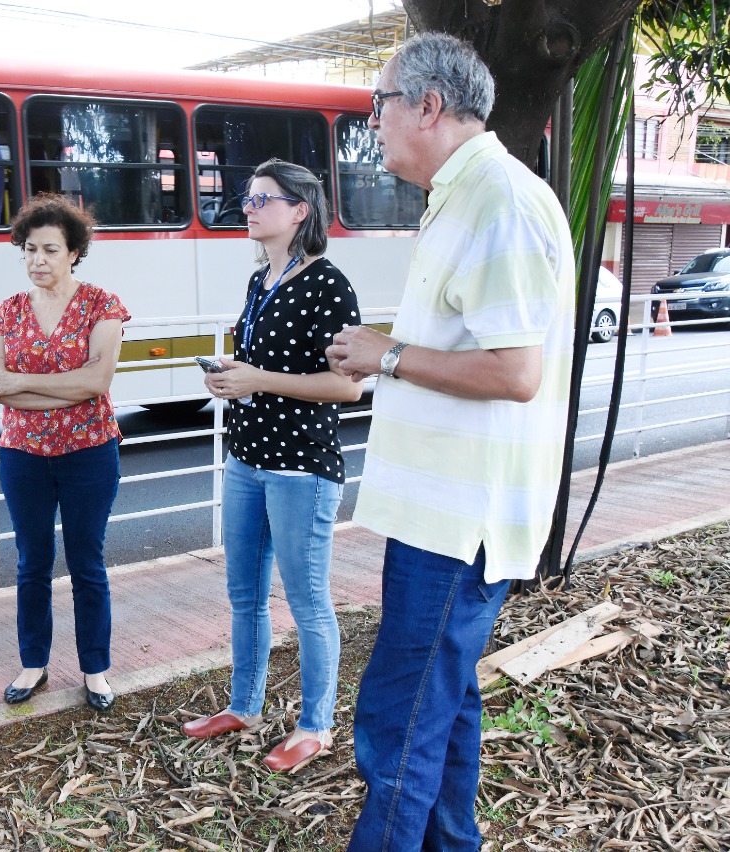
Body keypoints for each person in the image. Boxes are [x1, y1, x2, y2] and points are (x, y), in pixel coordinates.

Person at [324, 34, 575, 850]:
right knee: (445, 703)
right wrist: (385, 351)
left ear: (427, 106)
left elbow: (514, 372)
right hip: (438, 512)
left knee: (399, 723)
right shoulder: (462, 196)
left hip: (458, 522)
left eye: (379, 105)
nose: (375, 124)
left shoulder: (498, 199)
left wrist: (386, 355)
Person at [179, 159, 362, 773]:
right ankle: (244, 706)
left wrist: (258, 377)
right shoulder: (261, 281)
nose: (249, 208)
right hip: (248, 456)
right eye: (248, 199)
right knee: (244, 594)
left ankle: (316, 726)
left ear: (300, 210)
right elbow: (259, 370)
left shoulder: (329, 286)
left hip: (300, 468)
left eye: (263, 200)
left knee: (308, 601)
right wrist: (234, 381)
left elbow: (347, 389)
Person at [0, 193, 130, 713]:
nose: (37, 260)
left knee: (88, 563)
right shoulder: (7, 311)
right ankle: (33, 664)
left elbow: (99, 379)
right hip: (23, 454)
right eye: (29, 250)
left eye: (48, 249)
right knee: (32, 562)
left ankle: (96, 669)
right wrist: (64, 388)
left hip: (89, 451)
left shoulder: (101, 305)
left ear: (73, 252)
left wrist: (24, 383)